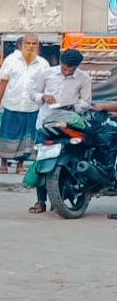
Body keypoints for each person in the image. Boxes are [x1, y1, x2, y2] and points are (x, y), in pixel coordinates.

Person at [28, 48, 92, 214]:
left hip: (69, 124)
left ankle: (60, 199)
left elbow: (86, 102)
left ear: (77, 66)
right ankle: (40, 201)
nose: (67, 71)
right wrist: (43, 97)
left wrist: (73, 105)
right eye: (65, 67)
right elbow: (32, 94)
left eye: (71, 69)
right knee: (42, 161)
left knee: (69, 158)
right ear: (60, 62)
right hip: (45, 123)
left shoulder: (84, 78)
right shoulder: (46, 73)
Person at [0, 34, 49, 174]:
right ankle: (3, 164)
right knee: (7, 135)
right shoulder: (11, 60)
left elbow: (45, 86)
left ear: (38, 46)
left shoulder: (43, 64)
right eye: (27, 43)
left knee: (27, 138)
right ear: (21, 45)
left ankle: (20, 165)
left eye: (34, 44)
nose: (30, 46)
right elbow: (3, 82)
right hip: (12, 104)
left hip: (31, 106)